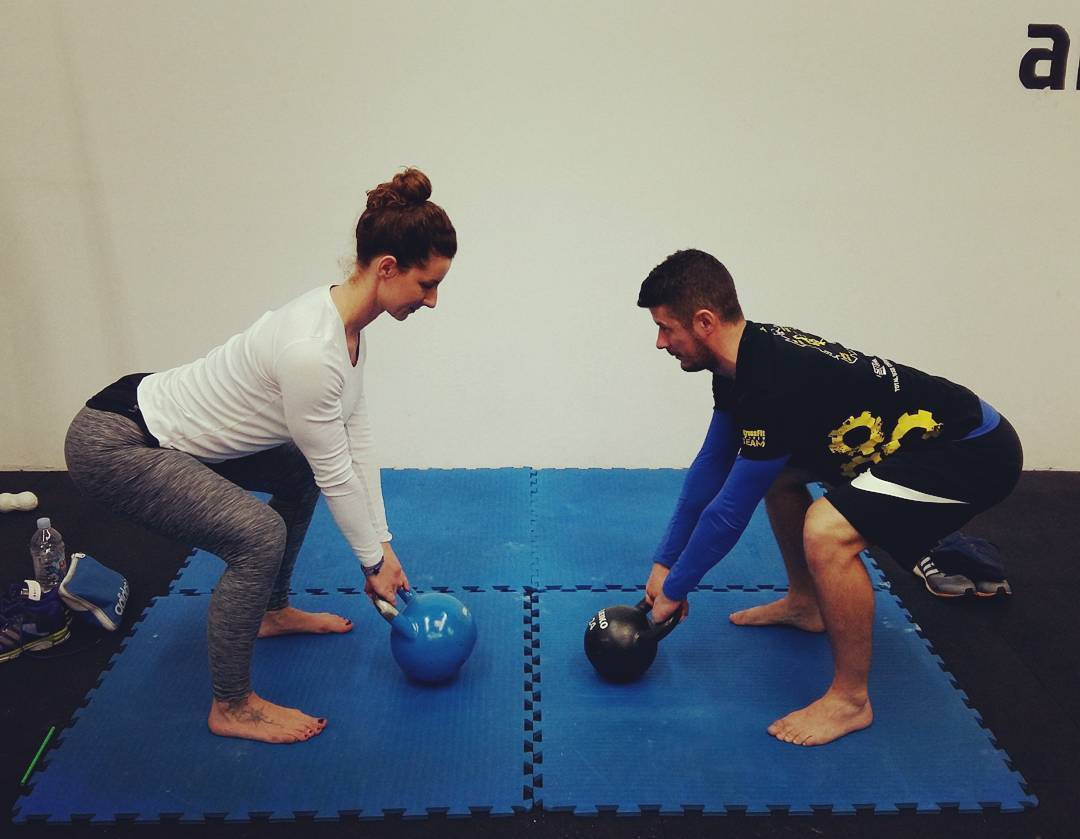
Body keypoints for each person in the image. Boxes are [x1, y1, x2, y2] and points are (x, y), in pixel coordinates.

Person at [64, 168, 456, 744]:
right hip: (119, 442)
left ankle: (270, 610)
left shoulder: (347, 329)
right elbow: (336, 470)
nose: (433, 300)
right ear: (387, 268)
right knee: (258, 536)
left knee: (296, 473)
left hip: (166, 425)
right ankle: (232, 705)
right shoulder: (310, 350)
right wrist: (373, 565)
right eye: (427, 284)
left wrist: (384, 545)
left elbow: (356, 437)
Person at [638, 249, 1022, 746]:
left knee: (827, 530)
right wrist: (665, 561)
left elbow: (730, 512)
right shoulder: (740, 363)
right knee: (779, 477)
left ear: (705, 322)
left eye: (666, 329)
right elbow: (711, 466)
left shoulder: (772, 380)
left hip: (973, 451)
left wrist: (675, 589)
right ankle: (808, 604)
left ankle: (850, 701)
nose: (660, 343)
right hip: (922, 440)